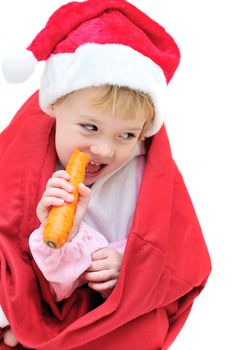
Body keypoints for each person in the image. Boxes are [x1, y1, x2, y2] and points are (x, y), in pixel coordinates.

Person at [0, 1, 211, 349]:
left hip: (96, 306)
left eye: (125, 135)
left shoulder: (145, 175)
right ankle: (23, 326)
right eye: (89, 127)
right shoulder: (26, 150)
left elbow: (175, 252)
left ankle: (34, 336)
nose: (105, 149)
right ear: (54, 108)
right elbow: (10, 232)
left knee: (144, 329)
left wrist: (127, 265)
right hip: (38, 282)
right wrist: (47, 234)